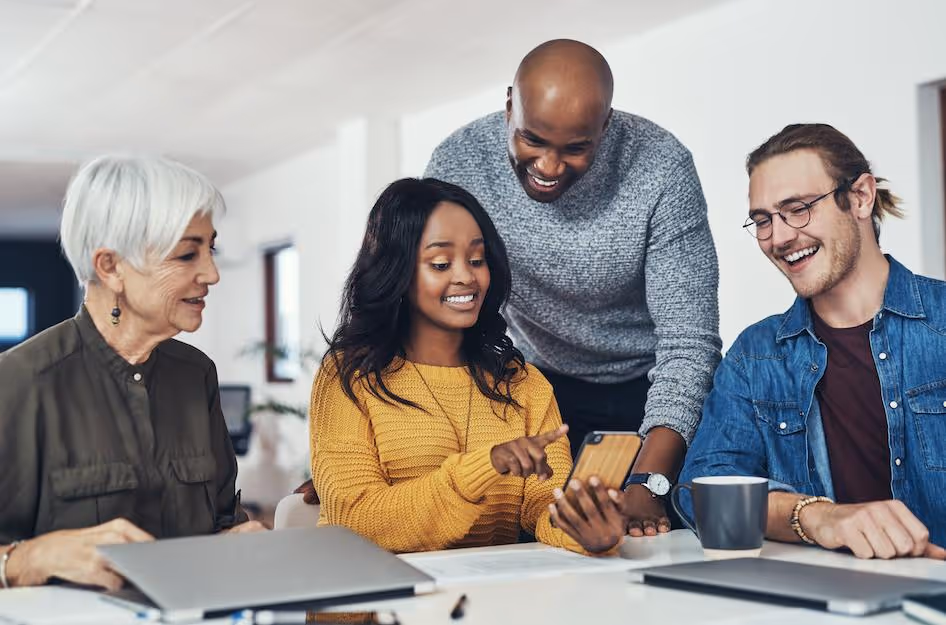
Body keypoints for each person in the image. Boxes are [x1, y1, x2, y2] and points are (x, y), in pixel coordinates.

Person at [423, 39, 721, 535]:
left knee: (650, 547)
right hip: (537, 390)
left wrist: (648, 484)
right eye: (532, 140)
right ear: (509, 106)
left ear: (606, 126)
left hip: (653, 388)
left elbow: (688, 344)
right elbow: (424, 308)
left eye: (576, 148)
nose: (549, 166)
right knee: (543, 544)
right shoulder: (461, 163)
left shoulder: (662, 167)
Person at [308, 177, 628, 555]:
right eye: (441, 263)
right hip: (378, 605)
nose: (466, 276)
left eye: (477, 260)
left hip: (484, 600)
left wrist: (583, 528)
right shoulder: (349, 377)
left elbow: (545, 505)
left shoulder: (523, 384)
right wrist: (485, 466)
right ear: (395, 271)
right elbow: (355, 520)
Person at [680, 123, 946, 559]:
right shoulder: (755, 356)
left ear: (860, 197)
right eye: (763, 220)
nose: (779, 237)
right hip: (821, 601)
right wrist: (816, 516)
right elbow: (702, 492)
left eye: (798, 208)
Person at [0, 155, 264, 591]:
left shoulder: (196, 376)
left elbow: (221, 520)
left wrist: (237, 541)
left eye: (209, 249)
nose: (211, 273)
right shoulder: (20, 382)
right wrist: (27, 557)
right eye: (186, 254)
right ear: (110, 267)